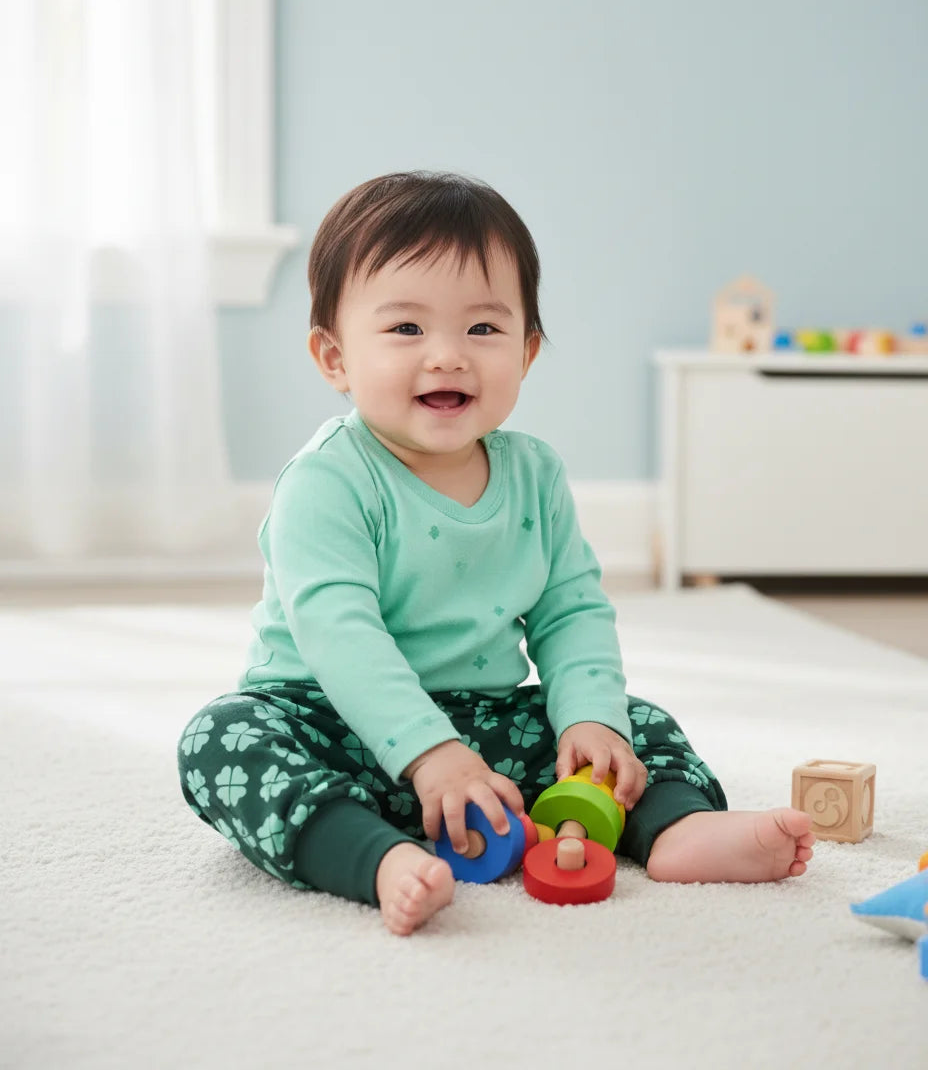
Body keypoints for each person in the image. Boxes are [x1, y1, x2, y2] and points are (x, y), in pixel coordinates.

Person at [177, 170, 815, 935]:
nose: (448, 356)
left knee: (630, 723)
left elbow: (571, 608)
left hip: (483, 731)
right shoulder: (327, 484)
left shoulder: (534, 475)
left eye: (482, 329)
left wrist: (590, 721)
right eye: (407, 330)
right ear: (334, 357)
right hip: (328, 723)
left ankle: (675, 830)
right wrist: (428, 756)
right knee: (219, 741)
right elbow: (340, 638)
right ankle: (373, 857)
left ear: (528, 349)